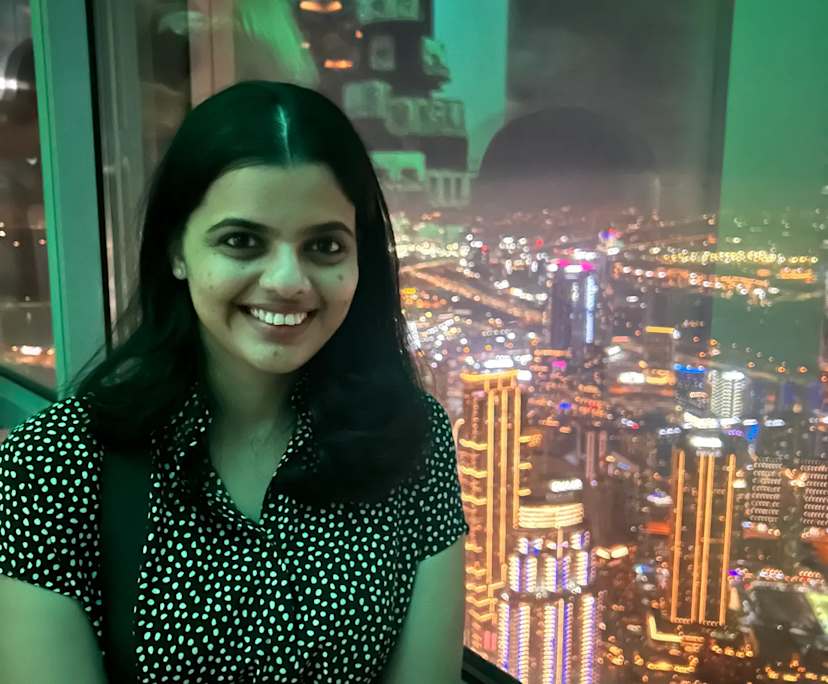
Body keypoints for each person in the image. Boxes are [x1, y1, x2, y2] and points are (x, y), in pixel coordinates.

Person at [0, 81, 469, 683]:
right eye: (242, 241)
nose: (287, 281)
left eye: (324, 246)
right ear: (177, 250)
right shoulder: (54, 465)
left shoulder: (412, 440)